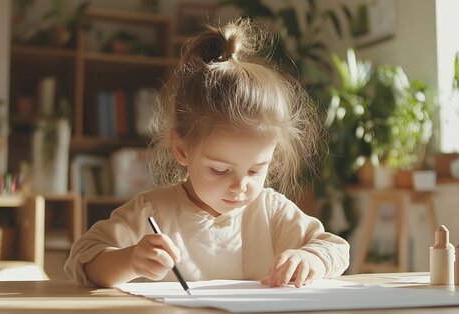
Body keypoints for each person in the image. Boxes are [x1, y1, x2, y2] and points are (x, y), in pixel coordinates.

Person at [65, 18, 349, 288]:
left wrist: (310, 259)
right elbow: (84, 260)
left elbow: (336, 248)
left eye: (255, 170)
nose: (241, 186)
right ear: (181, 149)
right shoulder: (152, 211)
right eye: (220, 170)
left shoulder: (270, 211)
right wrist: (130, 261)